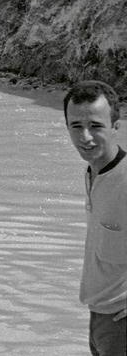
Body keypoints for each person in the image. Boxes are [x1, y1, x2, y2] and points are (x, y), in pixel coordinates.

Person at [63, 80, 126, 355]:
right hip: (100, 317)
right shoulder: (94, 172)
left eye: (96, 126)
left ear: (115, 126)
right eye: (76, 126)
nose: (85, 137)